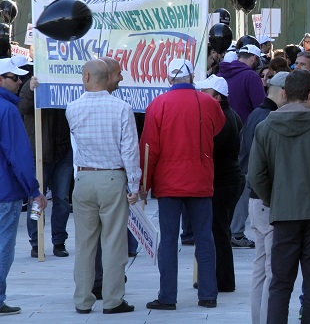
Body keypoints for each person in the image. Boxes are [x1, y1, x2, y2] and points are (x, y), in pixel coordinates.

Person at [248, 70, 310, 324]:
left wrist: (273, 198)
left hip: (284, 213)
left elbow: (255, 175)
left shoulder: (265, 127)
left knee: (280, 282)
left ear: (284, 94)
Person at [141, 58, 226, 311]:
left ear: (169, 79)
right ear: (191, 77)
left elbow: (149, 148)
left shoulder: (158, 104)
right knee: (204, 238)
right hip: (200, 178)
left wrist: (145, 183)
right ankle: (208, 294)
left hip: (169, 182)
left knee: (168, 240)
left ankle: (167, 296)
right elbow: (217, 127)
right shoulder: (209, 103)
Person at [67, 59, 139, 315]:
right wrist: (134, 184)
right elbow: (129, 150)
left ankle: (82, 300)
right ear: (108, 77)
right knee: (114, 243)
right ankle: (112, 299)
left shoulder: (72, 108)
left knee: (84, 244)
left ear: (87, 77)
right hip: (112, 177)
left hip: (84, 177)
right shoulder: (122, 108)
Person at [240, 71, 288, 324]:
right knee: (271, 269)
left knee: (261, 267)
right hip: (266, 199)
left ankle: (258, 319)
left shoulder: (256, 115)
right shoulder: (270, 117)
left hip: (257, 198)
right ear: (284, 93)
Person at [0, 58, 45, 317]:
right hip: (6, 191)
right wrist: (33, 190)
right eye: (14, 77)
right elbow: (18, 155)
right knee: (4, 245)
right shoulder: (8, 110)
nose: (20, 81)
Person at [195, 74, 244, 293]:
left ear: (217, 97)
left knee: (219, 232)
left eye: (204, 92)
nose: (200, 95)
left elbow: (211, 150)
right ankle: (221, 278)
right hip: (229, 179)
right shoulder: (230, 115)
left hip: (222, 181)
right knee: (220, 231)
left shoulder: (222, 117)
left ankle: (223, 281)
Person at [18, 74, 72, 258]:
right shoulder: (34, 82)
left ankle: (59, 241)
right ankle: (36, 242)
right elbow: (23, 107)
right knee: (35, 199)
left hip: (63, 152)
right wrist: (31, 90)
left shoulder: (69, 80)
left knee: (62, 199)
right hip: (40, 152)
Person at [221, 43, 264, 249]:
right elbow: (261, 109)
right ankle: (236, 231)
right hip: (245, 137)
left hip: (221, 135)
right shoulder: (251, 77)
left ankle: (225, 228)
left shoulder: (220, 74)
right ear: (254, 59)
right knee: (244, 183)